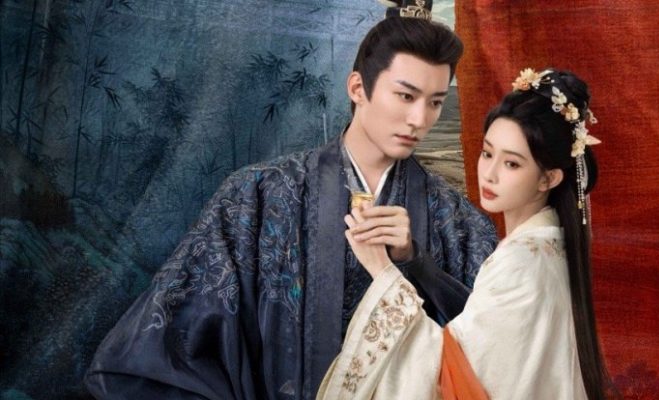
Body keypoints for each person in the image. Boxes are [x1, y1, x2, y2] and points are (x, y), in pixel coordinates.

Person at [84, 2, 498, 399]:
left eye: (435, 102)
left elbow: (495, 344)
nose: (420, 120)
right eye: (405, 96)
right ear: (358, 88)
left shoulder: (455, 219)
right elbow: (177, 334)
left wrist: (416, 263)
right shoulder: (256, 196)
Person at [318, 68, 613, 399]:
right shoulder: (550, 246)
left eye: (512, 164)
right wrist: (411, 260)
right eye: (487, 153)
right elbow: (480, 333)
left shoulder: (521, 261)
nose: (489, 174)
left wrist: (382, 271)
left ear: (549, 178)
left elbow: (454, 373)